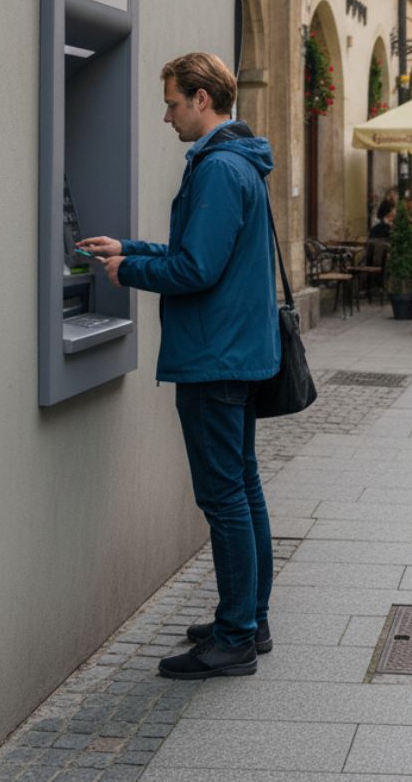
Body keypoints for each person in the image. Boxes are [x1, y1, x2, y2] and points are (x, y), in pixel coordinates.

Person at [80, 53, 279, 680]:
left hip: (215, 356)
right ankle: (250, 617)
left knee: (224, 499)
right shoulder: (236, 162)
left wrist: (128, 271)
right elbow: (198, 250)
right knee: (242, 490)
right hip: (234, 352)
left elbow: (196, 269)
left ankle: (236, 637)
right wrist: (131, 247)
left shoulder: (218, 168)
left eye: (171, 103)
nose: (165, 116)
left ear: (201, 99)